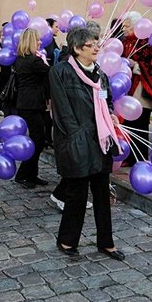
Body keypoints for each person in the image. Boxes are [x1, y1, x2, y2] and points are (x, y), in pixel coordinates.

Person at [50, 27, 125, 260]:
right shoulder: (60, 71)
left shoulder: (100, 75)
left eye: (97, 43)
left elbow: (107, 100)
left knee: (102, 193)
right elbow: (63, 112)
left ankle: (106, 242)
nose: (96, 48)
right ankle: (67, 240)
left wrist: (110, 115)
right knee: (76, 195)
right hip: (76, 141)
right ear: (76, 48)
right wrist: (78, 138)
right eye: (91, 45)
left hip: (100, 140)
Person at [120, 11, 152, 166]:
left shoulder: (146, 43)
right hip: (126, 91)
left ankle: (140, 157)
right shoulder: (124, 42)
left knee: (139, 125)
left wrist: (135, 66)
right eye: (123, 26)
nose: (124, 29)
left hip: (140, 92)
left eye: (127, 26)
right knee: (127, 124)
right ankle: (129, 156)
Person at [13, 28, 51, 189]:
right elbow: (51, 72)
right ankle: (23, 175)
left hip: (28, 104)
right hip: (31, 105)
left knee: (37, 139)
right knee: (37, 140)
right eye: (37, 40)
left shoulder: (22, 59)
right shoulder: (33, 61)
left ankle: (32, 174)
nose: (40, 42)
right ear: (31, 41)